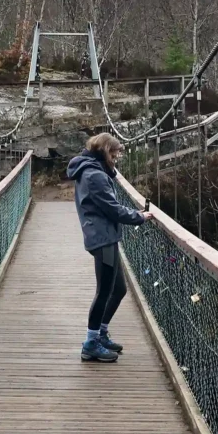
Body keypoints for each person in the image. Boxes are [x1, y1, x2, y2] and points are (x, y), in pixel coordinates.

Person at [66, 133, 152, 362]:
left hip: (104, 236)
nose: (118, 157)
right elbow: (112, 209)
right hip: (102, 238)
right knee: (104, 291)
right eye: (115, 152)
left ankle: (101, 333)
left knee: (119, 289)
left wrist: (110, 169)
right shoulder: (94, 175)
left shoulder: (95, 170)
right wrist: (139, 217)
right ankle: (90, 343)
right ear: (105, 151)